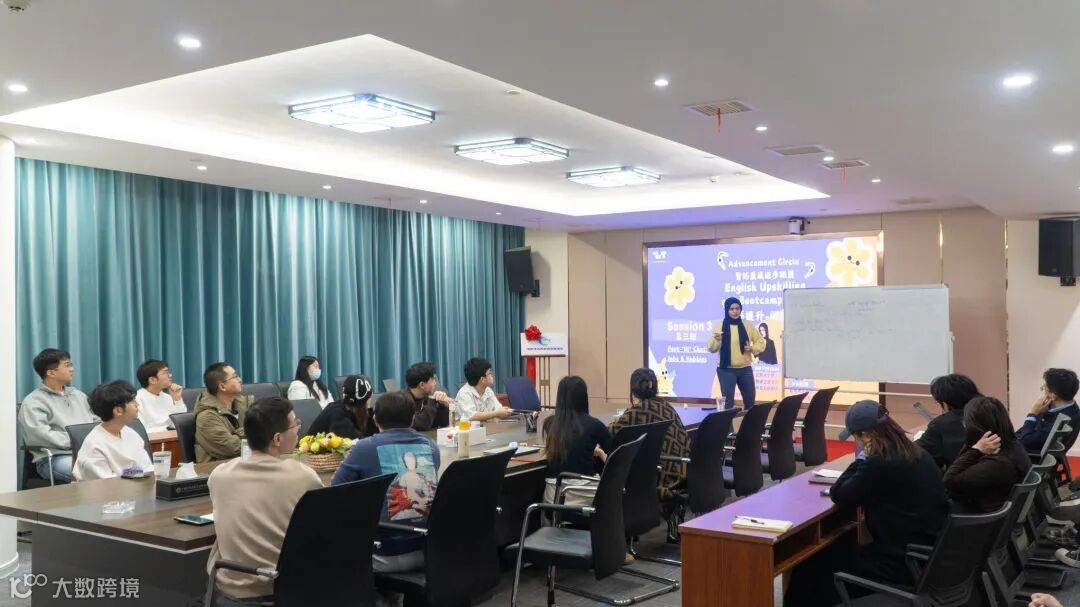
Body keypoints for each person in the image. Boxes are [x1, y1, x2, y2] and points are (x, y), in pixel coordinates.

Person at [785, 401, 948, 607]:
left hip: (897, 564)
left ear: (866, 436)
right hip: (926, 557)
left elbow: (839, 494)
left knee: (810, 565)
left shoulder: (878, 463)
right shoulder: (918, 453)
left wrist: (862, 458)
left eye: (856, 437)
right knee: (833, 553)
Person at [207, 397, 321, 605]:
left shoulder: (219, 475)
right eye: (295, 424)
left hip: (229, 592)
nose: (298, 428)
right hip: (283, 590)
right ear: (277, 439)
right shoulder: (303, 476)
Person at [333, 392, 440, 573]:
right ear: (413, 419)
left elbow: (336, 489)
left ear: (375, 419)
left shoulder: (364, 447)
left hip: (386, 554)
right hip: (430, 549)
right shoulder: (431, 446)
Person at [18, 348, 98, 484]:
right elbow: (41, 436)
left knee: (124, 467)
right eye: (67, 365)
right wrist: (78, 441)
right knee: (93, 472)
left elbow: (97, 422)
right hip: (56, 458)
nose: (72, 369)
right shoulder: (33, 402)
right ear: (51, 373)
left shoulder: (79, 395)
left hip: (89, 452)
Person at [944, 396, 1032, 514]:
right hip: (993, 508)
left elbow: (949, 481)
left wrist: (975, 450)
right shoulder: (1011, 444)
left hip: (979, 517)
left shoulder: (997, 463)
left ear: (975, 426)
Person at [611, 368, 691, 497]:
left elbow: (610, 433)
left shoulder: (637, 411)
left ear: (633, 390)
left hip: (662, 480)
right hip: (685, 474)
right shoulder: (666, 406)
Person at [542, 376, 612, 505]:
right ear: (584, 397)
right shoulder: (595, 425)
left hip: (553, 498)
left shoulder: (550, 423)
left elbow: (569, 445)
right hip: (583, 495)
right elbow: (614, 457)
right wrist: (601, 453)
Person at [73, 380, 154, 481]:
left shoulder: (130, 433)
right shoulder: (94, 445)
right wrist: (137, 475)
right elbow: (106, 483)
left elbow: (147, 469)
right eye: (132, 401)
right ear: (118, 411)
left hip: (137, 486)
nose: (137, 404)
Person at [707, 297, 765, 409]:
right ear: (727, 310)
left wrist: (752, 348)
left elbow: (760, 341)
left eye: (737, 308)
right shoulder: (720, 326)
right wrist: (717, 340)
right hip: (726, 370)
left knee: (750, 400)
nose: (735, 311)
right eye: (732, 309)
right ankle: (728, 422)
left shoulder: (747, 325)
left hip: (745, 369)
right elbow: (711, 348)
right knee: (728, 403)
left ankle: (749, 421)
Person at [916, 374, 982, 468]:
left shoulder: (940, 425)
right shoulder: (993, 413)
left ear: (945, 404)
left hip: (959, 474)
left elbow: (916, 454)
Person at [194, 362, 254, 463]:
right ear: (222, 387)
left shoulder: (245, 404)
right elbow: (233, 449)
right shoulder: (206, 417)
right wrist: (251, 430)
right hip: (218, 469)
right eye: (235, 377)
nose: (240, 379)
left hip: (245, 464)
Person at [1018, 368, 1080, 454]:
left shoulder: (1062, 419)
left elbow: (1025, 442)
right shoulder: (1072, 409)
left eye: (1044, 388)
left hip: (1030, 457)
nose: (1043, 392)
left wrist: (1032, 414)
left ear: (1053, 395)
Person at [308, 374, 376, 439]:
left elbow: (373, 435)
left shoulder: (351, 409)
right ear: (363, 402)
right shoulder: (337, 414)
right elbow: (356, 441)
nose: (371, 399)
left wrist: (369, 410)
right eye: (369, 397)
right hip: (311, 446)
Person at [134, 359, 187, 433]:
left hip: (171, 436)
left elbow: (179, 423)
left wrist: (177, 399)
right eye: (165, 373)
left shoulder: (167, 397)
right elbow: (139, 430)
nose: (170, 375)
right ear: (152, 380)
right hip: (151, 438)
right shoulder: (137, 399)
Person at [454, 357, 511, 422]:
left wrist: (504, 412)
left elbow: (498, 409)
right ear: (482, 379)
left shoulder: (488, 391)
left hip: (487, 427)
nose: (492, 375)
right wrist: (496, 414)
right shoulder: (464, 393)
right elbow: (472, 416)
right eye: (489, 373)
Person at [403, 362, 453, 431]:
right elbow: (421, 426)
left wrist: (443, 405)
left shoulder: (426, 397)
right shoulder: (403, 402)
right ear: (422, 385)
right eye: (432, 380)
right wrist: (432, 400)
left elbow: (444, 423)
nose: (435, 383)